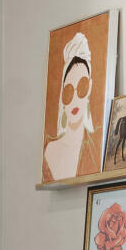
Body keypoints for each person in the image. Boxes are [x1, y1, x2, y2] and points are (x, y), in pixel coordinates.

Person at [43, 32, 98, 182]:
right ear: (62, 95)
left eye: (81, 87)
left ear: (89, 88)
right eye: (68, 91)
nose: (74, 99)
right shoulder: (50, 151)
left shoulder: (95, 148)